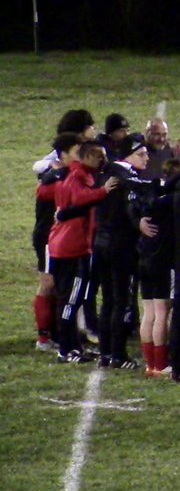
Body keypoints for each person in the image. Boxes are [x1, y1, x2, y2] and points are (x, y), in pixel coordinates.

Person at [47, 142, 117, 362]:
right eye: (99, 157)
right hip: (72, 249)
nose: (103, 161)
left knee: (69, 299)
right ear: (87, 157)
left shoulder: (77, 174)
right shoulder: (78, 176)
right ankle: (65, 350)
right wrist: (103, 191)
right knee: (72, 300)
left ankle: (73, 346)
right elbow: (80, 199)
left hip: (65, 245)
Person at [89, 139, 154, 370]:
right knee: (120, 300)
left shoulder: (106, 172)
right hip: (120, 247)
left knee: (107, 300)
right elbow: (137, 199)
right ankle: (117, 353)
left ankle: (106, 353)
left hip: (101, 243)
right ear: (128, 155)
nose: (146, 158)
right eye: (142, 154)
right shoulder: (125, 176)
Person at [32, 133, 83, 352]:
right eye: (76, 153)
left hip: (57, 237)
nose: (80, 156)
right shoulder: (55, 176)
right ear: (63, 155)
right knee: (48, 284)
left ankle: (54, 334)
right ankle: (44, 339)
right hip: (47, 238)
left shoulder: (65, 172)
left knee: (58, 286)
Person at [137, 158, 180, 377]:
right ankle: (161, 364)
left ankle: (149, 364)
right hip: (162, 263)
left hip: (144, 260)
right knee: (162, 313)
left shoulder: (151, 194)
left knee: (148, 313)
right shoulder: (174, 202)